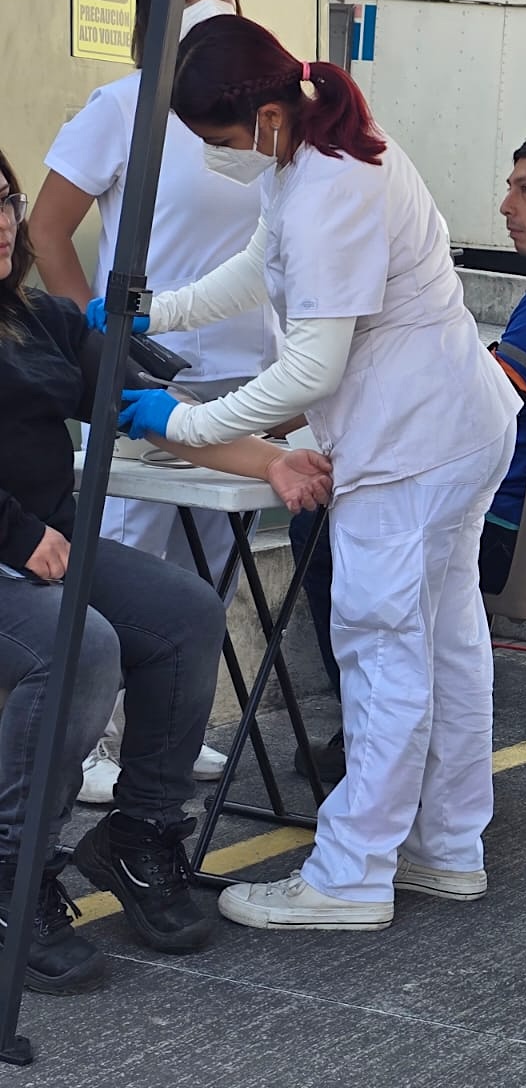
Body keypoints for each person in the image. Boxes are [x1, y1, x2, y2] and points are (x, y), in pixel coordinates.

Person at [96, 14, 522, 931]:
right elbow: (265, 263)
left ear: (262, 114)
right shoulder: (313, 141)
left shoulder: (333, 182)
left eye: (216, 138)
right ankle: (445, 846)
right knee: (445, 646)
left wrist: (186, 422)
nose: (215, 155)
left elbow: (311, 371)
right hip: (450, 428)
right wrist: (158, 311)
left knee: (383, 653)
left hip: (411, 445)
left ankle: (351, 875)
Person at [0, 147, 330, 991]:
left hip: (44, 552)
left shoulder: (42, 321)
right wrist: (15, 532)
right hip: (14, 553)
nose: (1, 222)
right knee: (80, 646)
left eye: (4, 200)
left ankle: (139, 835)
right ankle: (12, 871)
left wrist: (272, 462)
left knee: (185, 614)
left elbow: (159, 418)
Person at [285, 128, 526, 783]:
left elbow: (465, 408)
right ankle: (398, 723)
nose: (506, 205)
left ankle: (374, 733)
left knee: (323, 525)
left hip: (525, 544)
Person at [29, 0, 274, 804]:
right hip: (144, 380)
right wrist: (93, 347)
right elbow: (46, 230)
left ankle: (163, 733)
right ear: (153, 16)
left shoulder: (259, 117)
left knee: (209, 568)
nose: (208, 0)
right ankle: (87, 741)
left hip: (246, 376)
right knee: (125, 551)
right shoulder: (123, 106)